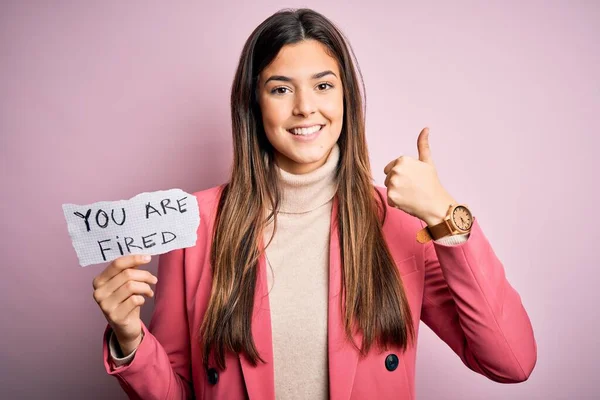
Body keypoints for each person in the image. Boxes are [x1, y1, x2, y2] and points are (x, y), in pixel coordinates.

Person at [92, 8, 537, 399]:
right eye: (281, 89)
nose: (306, 107)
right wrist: (131, 339)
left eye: (323, 85)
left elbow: (511, 363)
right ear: (253, 103)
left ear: (346, 97)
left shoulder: (400, 224)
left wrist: (445, 216)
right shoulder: (197, 223)